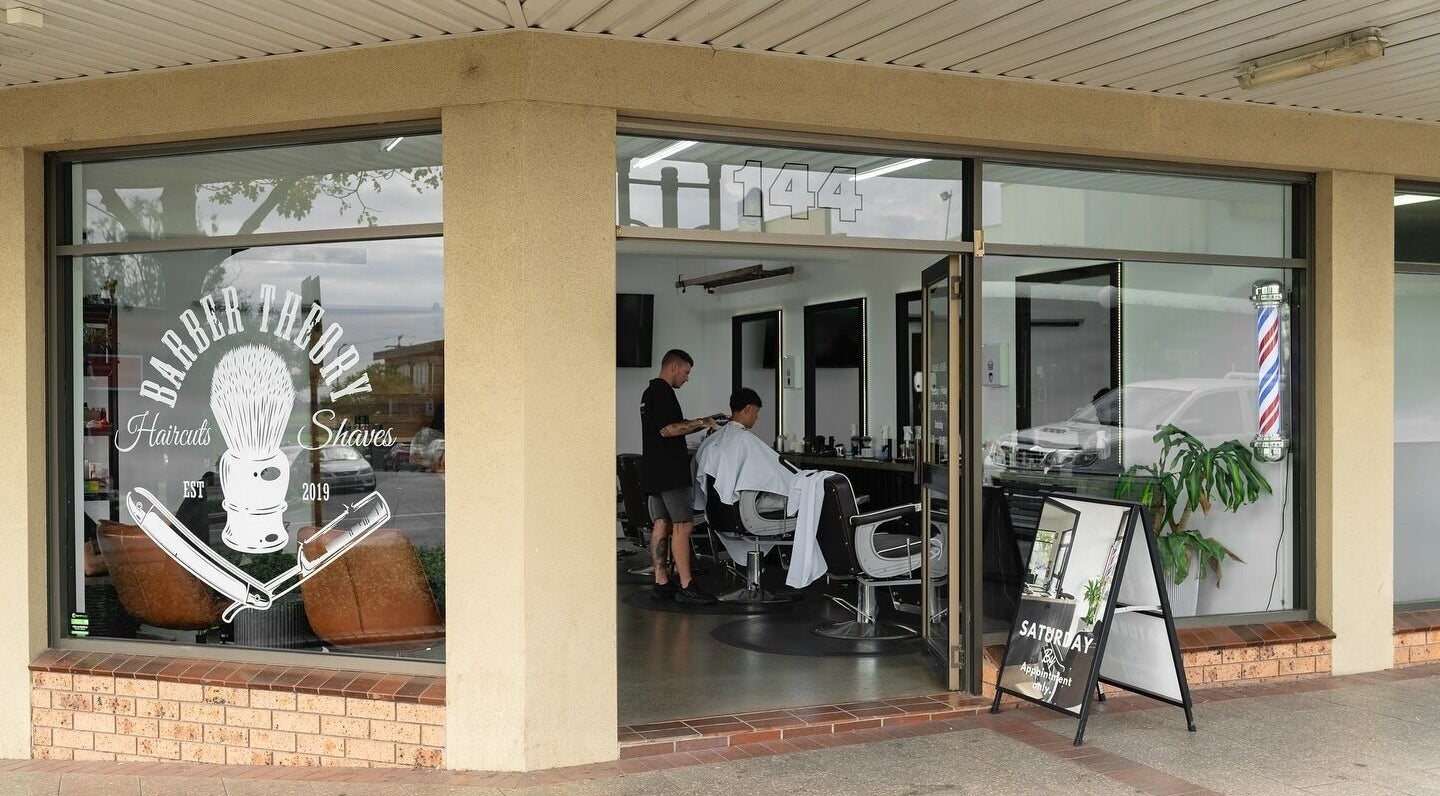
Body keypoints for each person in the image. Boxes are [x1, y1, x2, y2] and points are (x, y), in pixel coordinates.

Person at [641, 349, 721, 605]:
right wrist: (703, 422)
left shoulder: (649, 393)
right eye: (686, 372)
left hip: (654, 469)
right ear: (673, 367)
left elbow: (666, 426)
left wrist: (700, 421)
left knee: (661, 523)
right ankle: (687, 585)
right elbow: (668, 429)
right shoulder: (663, 392)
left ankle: (661, 583)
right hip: (670, 470)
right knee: (683, 526)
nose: (687, 378)